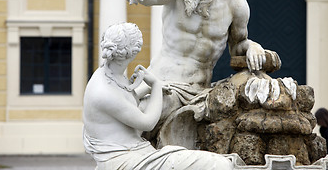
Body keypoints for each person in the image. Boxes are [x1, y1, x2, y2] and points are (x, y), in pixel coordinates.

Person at [126, 0, 269, 125]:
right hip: (161, 81)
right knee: (138, 114)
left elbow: (237, 45)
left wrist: (252, 46)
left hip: (199, 88)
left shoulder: (235, 5)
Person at [83, 22, 237, 169]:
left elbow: (124, 106)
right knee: (218, 164)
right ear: (132, 53)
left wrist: (145, 90)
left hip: (136, 152)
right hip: (127, 162)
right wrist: (155, 86)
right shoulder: (104, 92)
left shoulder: (109, 74)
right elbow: (147, 123)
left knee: (212, 161)